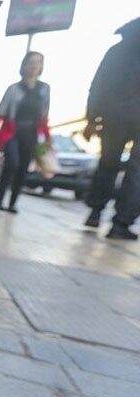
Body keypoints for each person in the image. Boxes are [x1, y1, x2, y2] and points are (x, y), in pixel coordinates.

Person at [83, 18, 140, 240]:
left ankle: (95, 212)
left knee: (107, 164)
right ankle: (121, 223)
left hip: (113, 116)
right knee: (137, 171)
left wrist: (92, 117)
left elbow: (98, 85)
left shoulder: (116, 51)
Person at [0, 51, 52, 214]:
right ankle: (0, 199)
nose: (34, 66)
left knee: (23, 168)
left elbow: (44, 117)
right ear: (24, 65)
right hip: (12, 133)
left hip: (31, 134)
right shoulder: (14, 89)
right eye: (31, 62)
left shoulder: (44, 89)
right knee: (12, 163)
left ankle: (13, 203)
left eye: (38, 63)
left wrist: (48, 139)